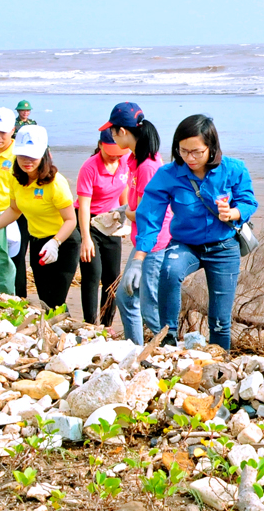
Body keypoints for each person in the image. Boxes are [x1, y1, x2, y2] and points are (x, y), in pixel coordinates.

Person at [131, 115, 258, 350]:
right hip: (185, 244)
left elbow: (249, 201)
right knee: (168, 270)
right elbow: (150, 217)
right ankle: (167, 337)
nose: (190, 158)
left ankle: (221, 362)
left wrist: (234, 213)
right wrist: (138, 260)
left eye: (197, 152)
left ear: (211, 147)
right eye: (183, 151)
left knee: (220, 320)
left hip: (223, 246)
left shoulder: (233, 169)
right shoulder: (167, 175)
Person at [0, 126, 78, 310]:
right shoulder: (16, 178)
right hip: (37, 241)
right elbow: (14, 210)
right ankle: (53, 334)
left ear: (44, 155)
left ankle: (69, 335)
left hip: (64, 243)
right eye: (22, 156)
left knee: (56, 300)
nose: (26, 161)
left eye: (32, 156)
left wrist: (55, 243)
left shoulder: (56, 183)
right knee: (45, 299)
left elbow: (71, 220)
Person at [103, 103, 174, 345]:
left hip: (154, 243)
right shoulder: (136, 159)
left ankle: (168, 349)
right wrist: (125, 210)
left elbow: (145, 214)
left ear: (123, 131)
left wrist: (122, 212)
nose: (111, 136)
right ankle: (134, 351)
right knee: (125, 297)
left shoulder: (148, 166)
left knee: (149, 306)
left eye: (113, 131)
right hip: (143, 240)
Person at [74, 129, 130, 326]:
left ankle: (106, 324)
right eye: (110, 152)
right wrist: (86, 238)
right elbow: (84, 206)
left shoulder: (124, 162)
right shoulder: (90, 168)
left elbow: (124, 191)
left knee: (112, 276)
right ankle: (90, 324)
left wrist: (123, 220)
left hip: (111, 220)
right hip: (88, 220)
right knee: (92, 273)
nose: (114, 156)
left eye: (118, 152)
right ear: (100, 145)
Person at [0, 107, 28, 298]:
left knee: (16, 261)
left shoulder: (19, 155)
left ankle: (19, 299)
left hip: (17, 214)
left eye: (2, 132)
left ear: (12, 130)